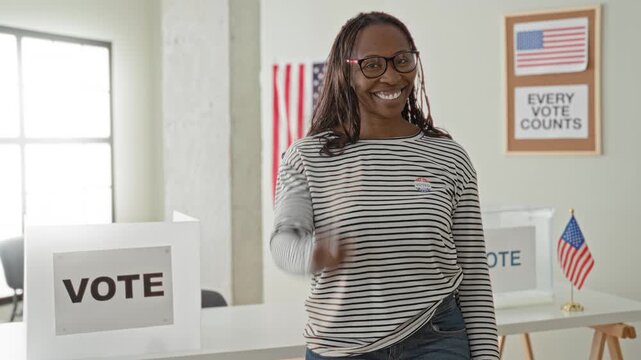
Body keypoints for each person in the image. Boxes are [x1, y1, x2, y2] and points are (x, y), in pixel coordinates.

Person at [270, 11, 499, 360]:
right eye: (372, 64)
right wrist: (311, 253)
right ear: (345, 73)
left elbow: (474, 272)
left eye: (402, 61)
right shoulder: (307, 157)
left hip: (436, 338)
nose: (391, 76)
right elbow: (283, 240)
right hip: (341, 347)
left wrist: (487, 355)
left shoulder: (449, 158)